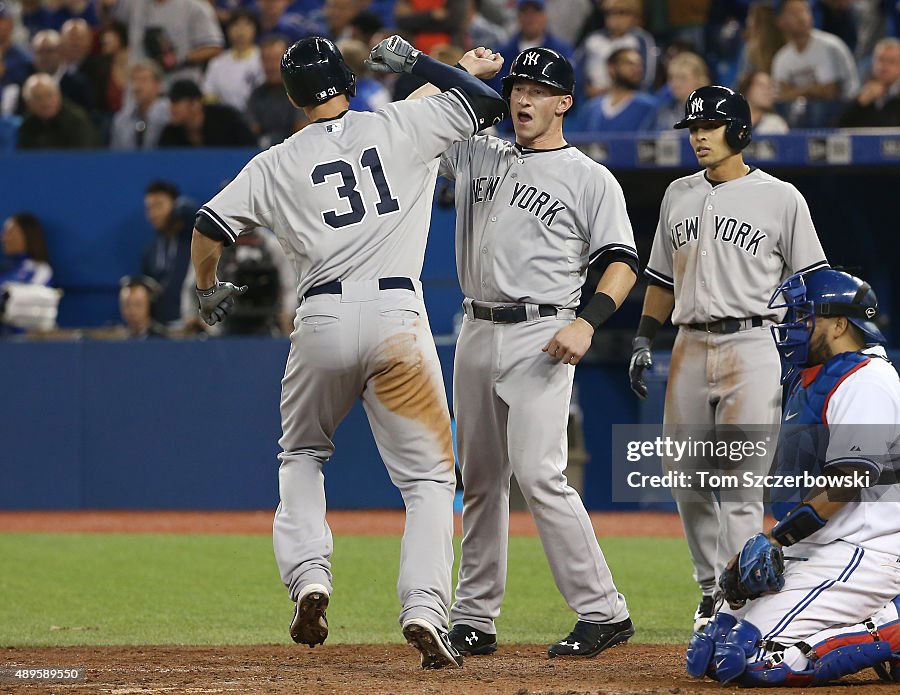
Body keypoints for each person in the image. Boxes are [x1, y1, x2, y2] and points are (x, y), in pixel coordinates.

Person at [188, 35, 505, 669]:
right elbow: (484, 104)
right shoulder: (399, 124)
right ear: (350, 83)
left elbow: (207, 225)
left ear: (292, 97)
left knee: (302, 453)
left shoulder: (274, 162)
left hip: (321, 317)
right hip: (397, 318)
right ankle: (423, 607)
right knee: (427, 482)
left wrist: (206, 289)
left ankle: (309, 577)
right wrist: (428, 64)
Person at [409, 46, 637, 659]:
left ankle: (603, 610)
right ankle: (474, 617)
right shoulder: (480, 150)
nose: (522, 100)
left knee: (539, 473)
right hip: (476, 328)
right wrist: (463, 71)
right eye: (515, 90)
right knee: (479, 480)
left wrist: (589, 323)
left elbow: (621, 263)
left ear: (564, 101)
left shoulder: (589, 176)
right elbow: (418, 122)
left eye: (537, 91)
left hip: (544, 330)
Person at [628, 85, 828, 632]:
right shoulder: (678, 194)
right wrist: (646, 335)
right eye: (692, 128)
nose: (697, 136)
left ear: (738, 131)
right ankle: (710, 588)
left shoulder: (781, 197)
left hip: (753, 343)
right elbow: (662, 278)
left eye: (708, 127)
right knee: (685, 476)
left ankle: (739, 599)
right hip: (689, 343)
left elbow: (810, 283)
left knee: (740, 483)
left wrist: (808, 356)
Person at [684, 268, 900, 688]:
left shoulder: (867, 381)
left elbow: (847, 480)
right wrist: (767, 547)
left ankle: (893, 627)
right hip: (810, 553)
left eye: (804, 317)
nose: (792, 326)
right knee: (710, 651)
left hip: (860, 554)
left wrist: (775, 540)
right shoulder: (811, 381)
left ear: (840, 324)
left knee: (751, 661)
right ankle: (867, 620)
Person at [99, 0, 224, 84]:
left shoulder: (194, 6)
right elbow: (109, 18)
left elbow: (214, 47)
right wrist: (105, 7)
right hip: (140, 87)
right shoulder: (134, 4)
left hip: (177, 88)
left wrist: (180, 58)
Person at [771, 0, 859, 109]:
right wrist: (813, 89)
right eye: (793, 13)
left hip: (843, 110)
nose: (801, 17)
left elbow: (830, 92)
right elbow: (781, 97)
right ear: (780, 21)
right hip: (804, 113)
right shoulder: (782, 57)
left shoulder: (828, 46)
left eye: (804, 11)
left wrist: (794, 92)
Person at [837, 38, 900, 128]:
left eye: (891, 61)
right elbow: (836, 133)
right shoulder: (861, 98)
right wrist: (859, 104)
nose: (884, 66)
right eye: (880, 60)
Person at [577, 0, 657, 99]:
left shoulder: (641, 39)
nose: (615, 18)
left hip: (629, 98)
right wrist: (586, 89)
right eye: (610, 13)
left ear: (633, 16)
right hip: (592, 99)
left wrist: (618, 92)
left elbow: (647, 77)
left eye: (622, 13)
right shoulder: (592, 39)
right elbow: (576, 70)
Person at [139, 180, 192, 324]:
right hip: (162, 325)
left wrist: (177, 212)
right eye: (149, 208)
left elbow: (190, 209)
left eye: (159, 206)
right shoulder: (150, 250)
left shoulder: (191, 238)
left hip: (193, 321)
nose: (153, 214)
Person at [576, 46, 658, 132]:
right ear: (611, 68)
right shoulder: (591, 109)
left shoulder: (649, 106)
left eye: (639, 65)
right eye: (630, 63)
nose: (637, 69)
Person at [158, 78, 257, 147]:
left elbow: (250, 149)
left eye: (176, 102)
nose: (171, 109)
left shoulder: (227, 120)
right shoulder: (170, 133)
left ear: (196, 104)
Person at [246, 33, 304, 149]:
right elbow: (251, 131)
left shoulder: (302, 91)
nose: (271, 66)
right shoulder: (257, 95)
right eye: (266, 60)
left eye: (275, 59)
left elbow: (302, 130)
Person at [17, 72, 100, 149]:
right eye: (38, 98)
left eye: (49, 95)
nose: (45, 102)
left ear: (58, 96)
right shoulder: (26, 123)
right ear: (28, 103)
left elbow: (84, 156)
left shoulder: (77, 121)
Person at [202, 9, 263, 112]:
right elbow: (208, 93)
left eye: (246, 25)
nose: (241, 30)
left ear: (255, 30)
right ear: (228, 30)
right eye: (235, 25)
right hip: (226, 117)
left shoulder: (264, 58)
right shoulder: (217, 62)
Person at [110, 59, 169, 149]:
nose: (137, 86)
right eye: (134, 80)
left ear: (158, 85)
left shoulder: (169, 113)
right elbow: (115, 154)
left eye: (144, 80)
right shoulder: (121, 119)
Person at [655, 51, 709, 130]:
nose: (675, 84)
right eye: (671, 78)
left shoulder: (713, 111)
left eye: (682, 78)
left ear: (699, 80)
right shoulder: (664, 110)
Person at [118, 274, 167, 339]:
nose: (132, 310)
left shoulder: (162, 338)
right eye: (127, 305)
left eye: (138, 304)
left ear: (149, 305)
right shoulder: (117, 339)